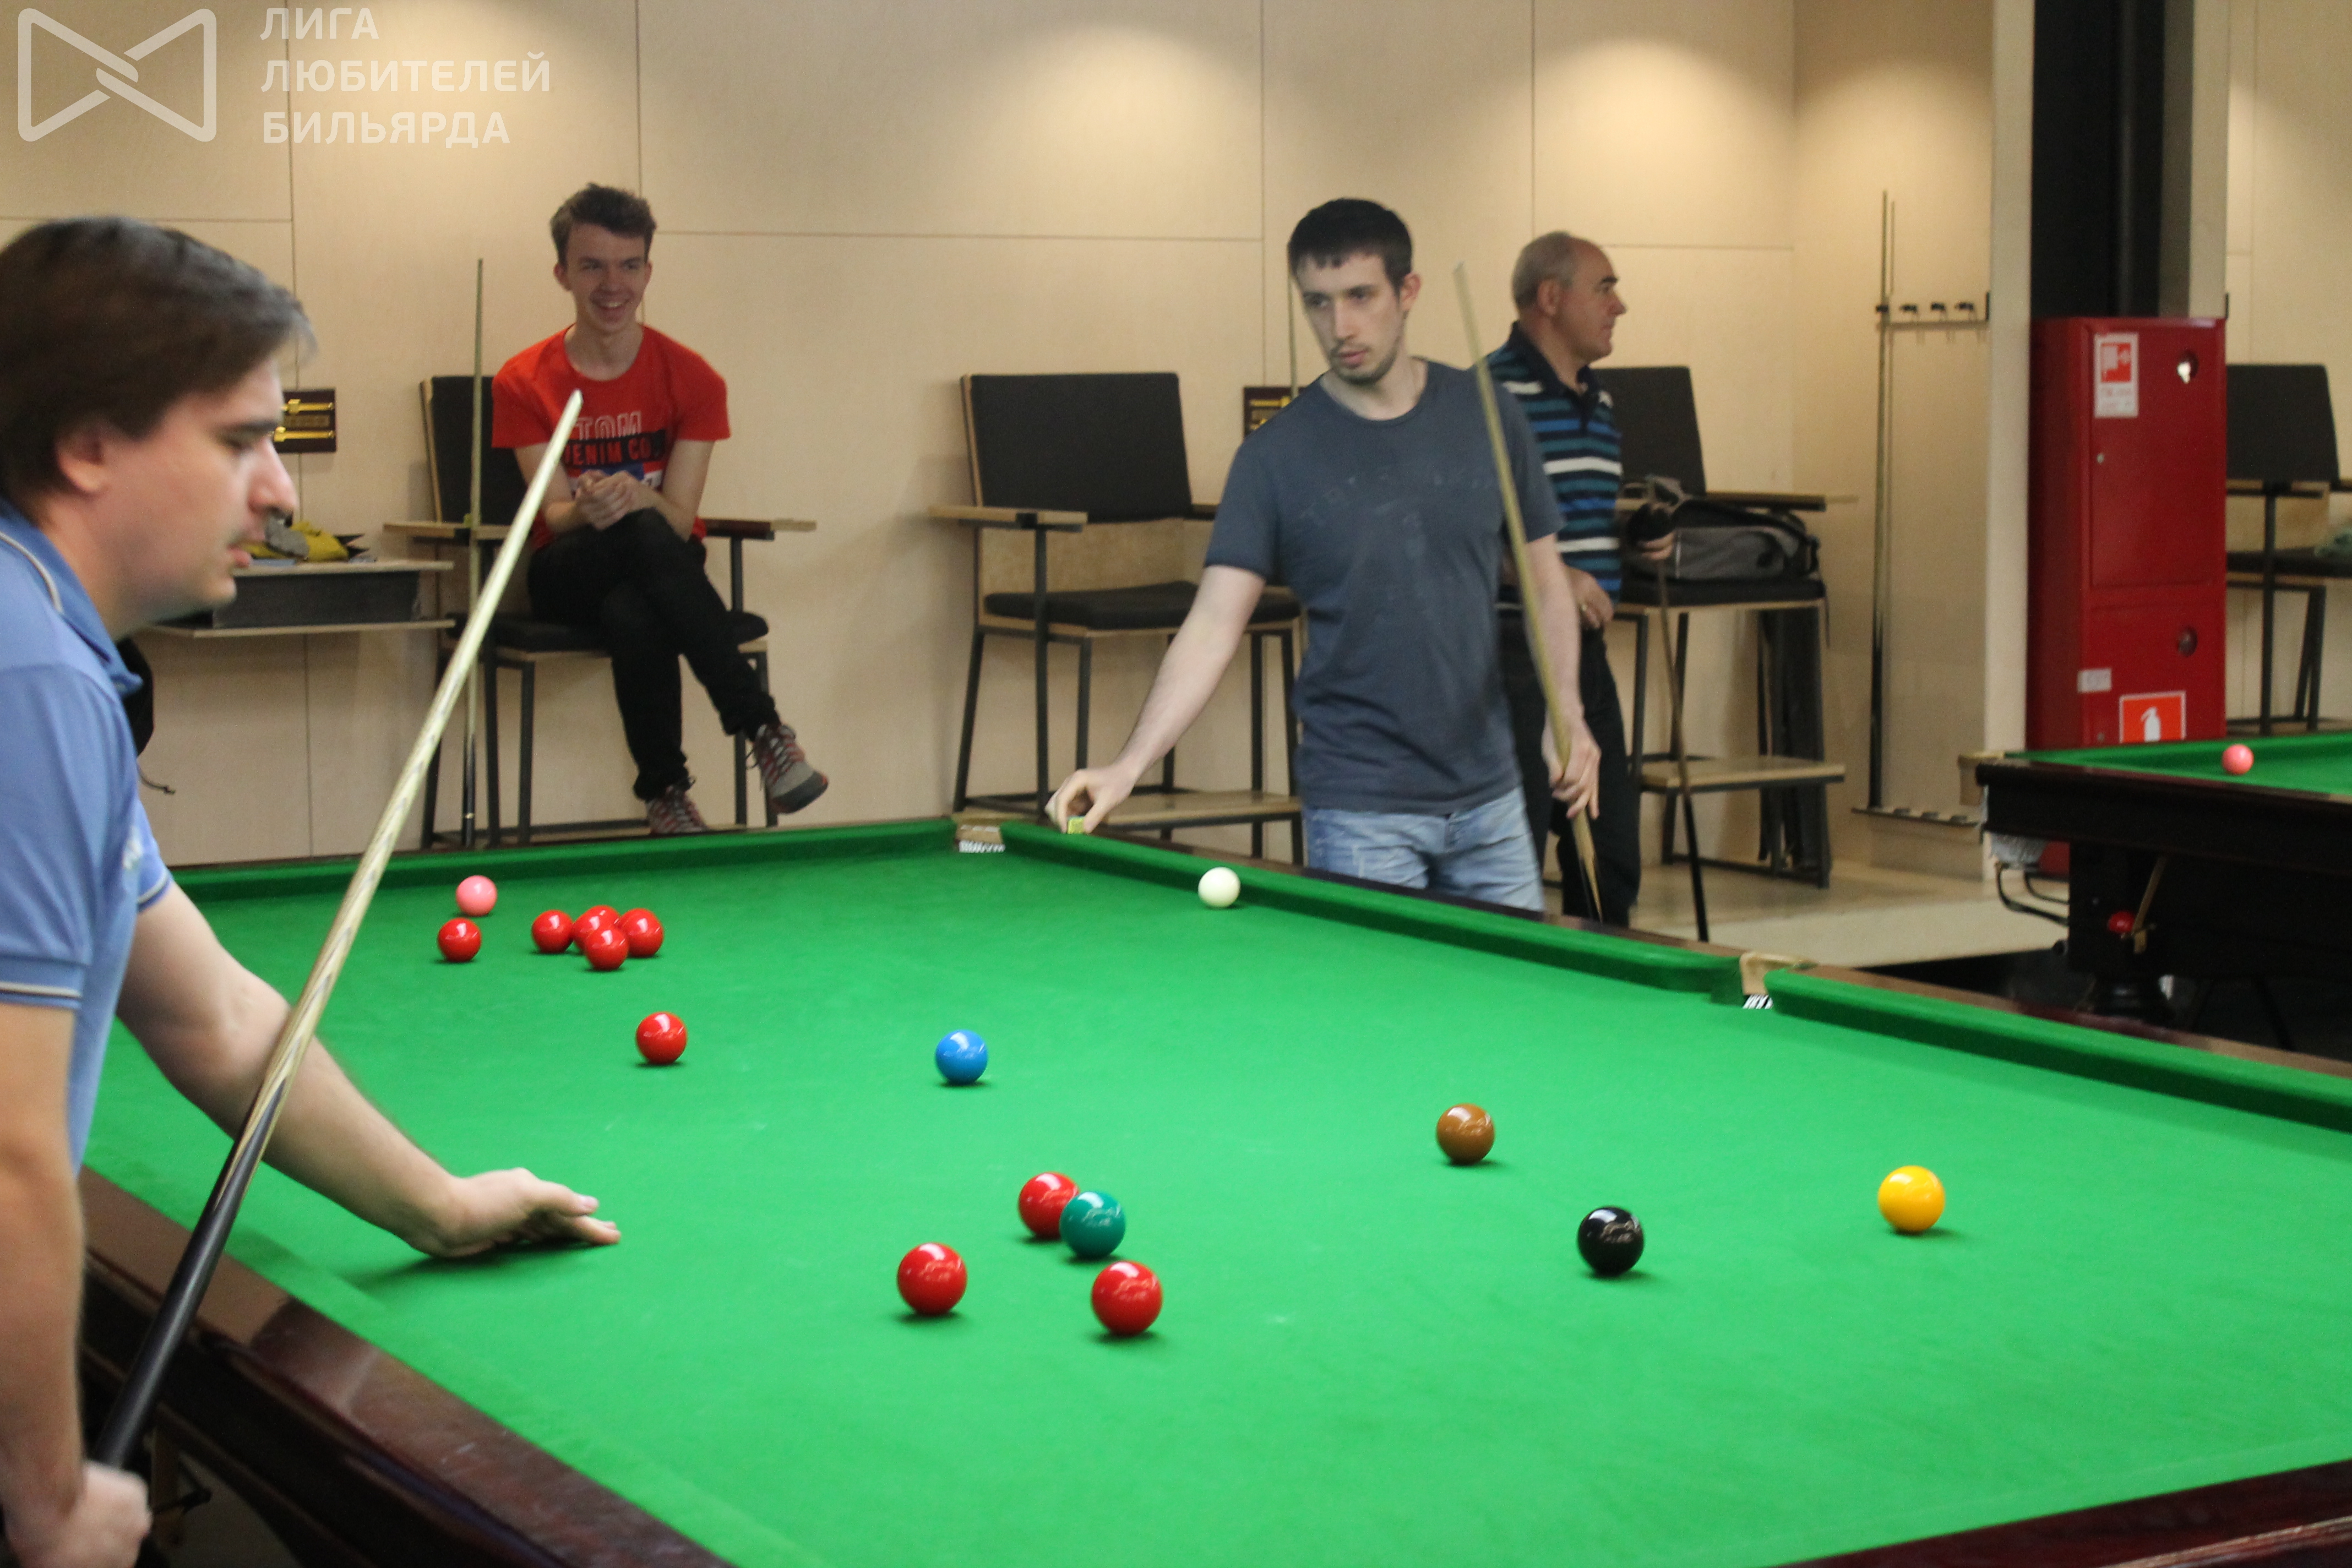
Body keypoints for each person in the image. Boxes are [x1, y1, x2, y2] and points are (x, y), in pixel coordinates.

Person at [0, 219, 620, 1568]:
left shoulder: (42, 639)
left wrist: (437, 1203)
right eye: (241, 441)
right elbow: (7, 1146)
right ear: (90, 442)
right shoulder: (26, 676)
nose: (281, 492)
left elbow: (214, 1013)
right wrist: (44, 1498)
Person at [1049, 199, 1596, 911]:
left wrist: (1568, 711)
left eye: (1361, 296)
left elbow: (1548, 585)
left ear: (1408, 291)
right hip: (1361, 809)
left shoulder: (1489, 415)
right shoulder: (1275, 459)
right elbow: (1212, 625)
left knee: (1513, 987)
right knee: (1380, 989)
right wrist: (1130, 765)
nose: (1340, 327)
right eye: (1318, 302)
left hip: (1491, 799)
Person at [492, 184, 827, 835]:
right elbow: (551, 515)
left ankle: (666, 795)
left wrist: (640, 498)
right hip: (568, 568)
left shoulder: (694, 378)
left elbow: (678, 520)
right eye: (592, 266)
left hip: (659, 558)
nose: (612, 285)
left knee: (635, 602)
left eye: (628, 265)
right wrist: (592, 507)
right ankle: (763, 728)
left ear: (648, 271)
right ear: (563, 274)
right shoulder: (522, 380)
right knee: (637, 540)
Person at [1488, 231, 1669, 924]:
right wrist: (1553, 579)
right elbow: (1457, 541)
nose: (1619, 306)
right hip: (1507, 654)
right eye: (1604, 288)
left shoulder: (1601, 401)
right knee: (1516, 849)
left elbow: (1575, 523)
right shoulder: (1487, 396)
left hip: (1584, 656)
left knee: (1611, 858)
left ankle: (1604, 980)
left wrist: (1633, 540)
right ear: (1550, 297)